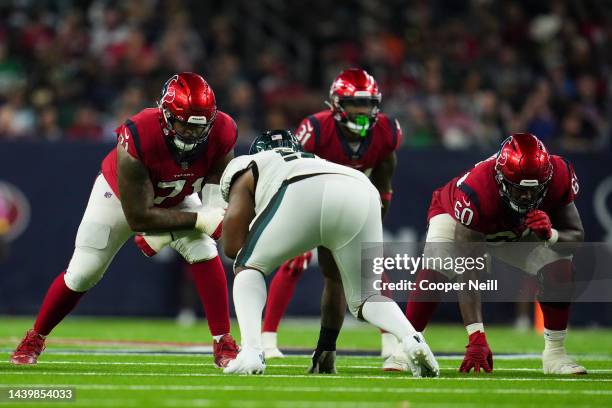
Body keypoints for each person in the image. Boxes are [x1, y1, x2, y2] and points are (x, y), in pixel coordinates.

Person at [10, 72, 239, 368]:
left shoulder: (222, 131)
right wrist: (199, 222)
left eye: (200, 127)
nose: (192, 135)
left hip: (176, 196)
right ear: (166, 115)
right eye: (184, 125)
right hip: (119, 199)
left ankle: (223, 341)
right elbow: (139, 216)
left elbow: (214, 204)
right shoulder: (139, 134)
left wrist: (199, 223)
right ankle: (35, 336)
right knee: (83, 273)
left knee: (204, 250)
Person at [219, 129, 438, 377]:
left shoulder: (250, 165)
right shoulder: (314, 159)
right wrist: (326, 346)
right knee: (367, 296)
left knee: (248, 267)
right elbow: (333, 274)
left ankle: (251, 351)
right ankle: (411, 338)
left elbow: (231, 247)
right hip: (360, 188)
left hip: (299, 189)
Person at [404, 132, 586, 374]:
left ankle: (555, 354)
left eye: (534, 190)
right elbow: (468, 268)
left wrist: (550, 235)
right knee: (435, 273)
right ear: (500, 178)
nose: (527, 197)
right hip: (457, 219)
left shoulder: (559, 174)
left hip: (514, 231)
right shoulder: (477, 190)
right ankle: (405, 345)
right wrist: (476, 336)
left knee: (560, 267)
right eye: (518, 189)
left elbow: (575, 236)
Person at [261, 68, 405, 370]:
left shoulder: (386, 132)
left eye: (367, 103)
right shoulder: (315, 130)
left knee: (371, 263)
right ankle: (267, 338)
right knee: (294, 261)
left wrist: (375, 219)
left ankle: (392, 344)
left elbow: (384, 181)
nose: (363, 110)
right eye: (355, 104)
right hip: (311, 198)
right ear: (337, 104)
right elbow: (292, 175)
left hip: (353, 203)